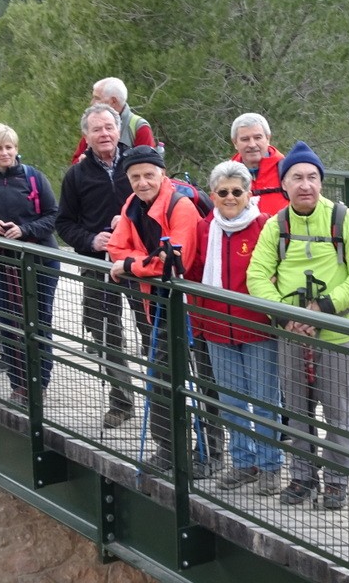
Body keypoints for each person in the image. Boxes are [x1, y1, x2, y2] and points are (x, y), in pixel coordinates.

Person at [246, 141, 349, 510]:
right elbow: (256, 274)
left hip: (337, 332)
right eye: (297, 177)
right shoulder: (277, 224)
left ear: (322, 181)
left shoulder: (344, 218)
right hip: (291, 331)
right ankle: (302, 476)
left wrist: (323, 309)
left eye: (313, 177)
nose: (305, 184)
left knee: (338, 410)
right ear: (284, 184)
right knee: (298, 410)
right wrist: (287, 316)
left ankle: (336, 481)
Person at [106, 145, 222, 476]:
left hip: (192, 306)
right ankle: (168, 448)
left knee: (203, 378)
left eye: (148, 175)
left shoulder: (181, 206)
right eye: (135, 176)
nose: (142, 182)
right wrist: (140, 262)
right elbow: (116, 246)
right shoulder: (132, 205)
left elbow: (176, 262)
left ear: (162, 173)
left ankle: (210, 453)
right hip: (155, 303)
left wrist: (129, 264)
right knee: (159, 376)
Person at [187, 160, 282, 495]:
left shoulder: (264, 226)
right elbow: (195, 273)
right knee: (232, 400)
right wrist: (198, 321)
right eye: (223, 192)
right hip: (216, 327)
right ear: (213, 195)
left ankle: (271, 465)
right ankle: (244, 463)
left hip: (256, 329)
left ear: (249, 193)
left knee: (264, 399)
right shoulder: (203, 229)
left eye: (236, 191)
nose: (230, 197)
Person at [56, 103, 146, 429]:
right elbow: (63, 223)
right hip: (97, 265)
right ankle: (121, 402)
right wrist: (91, 240)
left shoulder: (139, 164)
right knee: (107, 334)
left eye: (109, 127)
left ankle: (161, 403)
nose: (105, 134)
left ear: (118, 129)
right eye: (97, 129)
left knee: (152, 333)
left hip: (139, 264)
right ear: (87, 135)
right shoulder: (76, 175)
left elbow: (161, 207)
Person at [0, 124, 60, 407]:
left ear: (16, 148)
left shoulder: (34, 177)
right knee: (8, 322)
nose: (4, 153)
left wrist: (25, 230)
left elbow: (53, 216)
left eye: (9, 147)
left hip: (41, 260)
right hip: (4, 261)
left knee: (40, 323)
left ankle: (39, 384)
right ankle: (18, 384)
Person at [71, 77, 155, 164]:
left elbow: (149, 165)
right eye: (97, 130)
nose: (92, 103)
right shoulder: (92, 123)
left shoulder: (139, 127)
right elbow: (75, 164)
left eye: (97, 98)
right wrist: (83, 162)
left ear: (113, 101)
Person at [229, 113, 287, 216]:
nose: (252, 144)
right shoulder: (226, 176)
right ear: (235, 143)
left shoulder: (288, 170)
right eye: (245, 139)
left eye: (257, 137)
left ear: (268, 138)